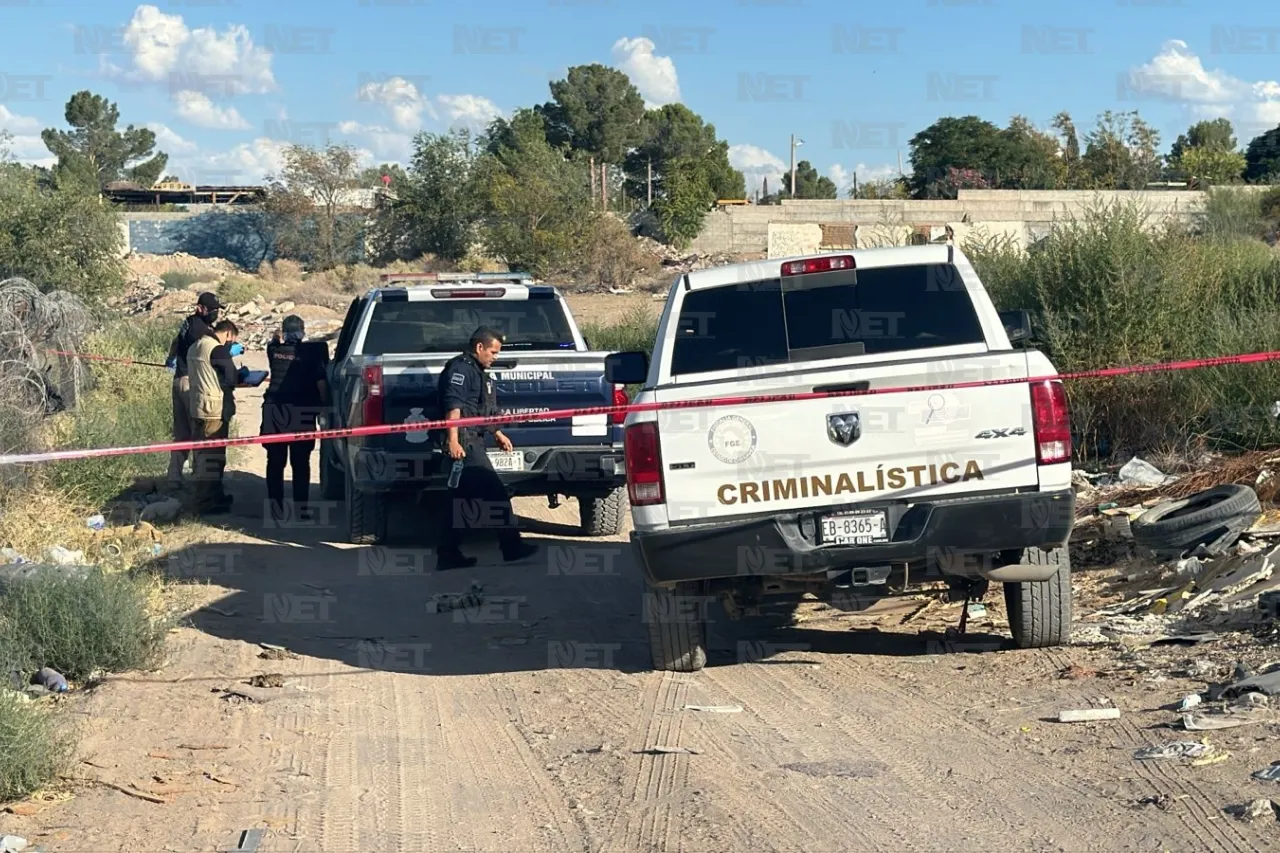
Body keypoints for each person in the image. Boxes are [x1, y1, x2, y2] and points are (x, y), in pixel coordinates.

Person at [433, 326, 538, 570]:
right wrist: (453, 440)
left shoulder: (478, 371)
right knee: (496, 494)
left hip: (473, 438)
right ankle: (511, 548)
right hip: (465, 443)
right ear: (479, 347)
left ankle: (447, 554)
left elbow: (481, 409)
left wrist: (498, 433)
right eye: (492, 352)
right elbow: (454, 407)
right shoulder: (461, 369)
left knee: (458, 501)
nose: (495, 357)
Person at [261, 315, 329, 523]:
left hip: (274, 411)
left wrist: (277, 337)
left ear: (284, 332)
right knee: (300, 463)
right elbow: (321, 385)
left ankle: (276, 508)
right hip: (302, 412)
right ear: (302, 331)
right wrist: (325, 407)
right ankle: (302, 509)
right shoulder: (310, 355)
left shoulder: (274, 351)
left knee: (275, 462)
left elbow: (273, 342)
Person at [165, 292, 223, 487]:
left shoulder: (188, 322)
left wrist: (171, 358)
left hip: (178, 380)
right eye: (212, 310)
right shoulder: (201, 330)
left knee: (181, 434)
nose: (215, 313)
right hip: (192, 384)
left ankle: (173, 478)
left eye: (217, 310)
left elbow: (175, 341)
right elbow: (215, 353)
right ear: (200, 308)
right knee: (199, 431)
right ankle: (199, 480)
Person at [187, 320, 242, 513]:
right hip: (214, 411)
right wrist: (243, 375)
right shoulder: (218, 349)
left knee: (200, 455)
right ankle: (206, 502)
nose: (230, 344)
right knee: (213, 458)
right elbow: (232, 377)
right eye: (232, 340)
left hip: (197, 407)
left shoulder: (195, 346)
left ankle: (210, 497)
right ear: (228, 333)